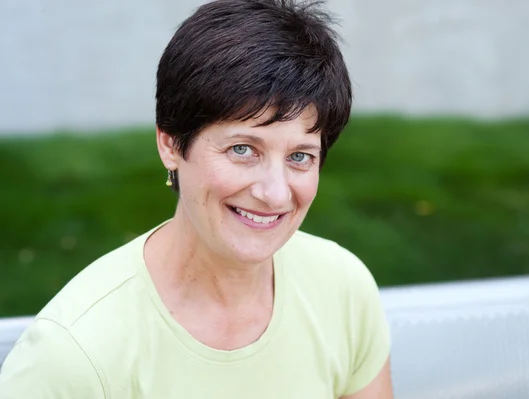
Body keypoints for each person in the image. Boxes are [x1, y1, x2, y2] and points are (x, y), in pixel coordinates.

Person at [0, 0, 392, 397]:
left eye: (299, 157)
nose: (274, 192)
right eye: (243, 149)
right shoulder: (73, 355)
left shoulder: (343, 288)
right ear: (170, 143)